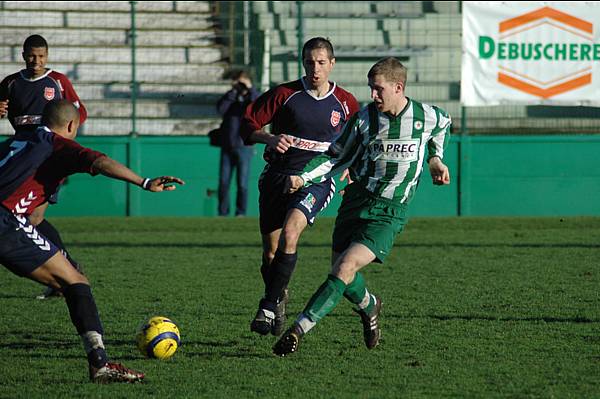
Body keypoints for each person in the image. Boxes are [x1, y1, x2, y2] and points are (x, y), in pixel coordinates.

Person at [272, 57, 452, 356]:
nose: (373, 95)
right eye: (371, 88)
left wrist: (436, 159)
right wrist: (302, 178)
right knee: (342, 273)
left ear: (398, 87)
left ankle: (298, 329)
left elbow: (443, 125)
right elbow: (336, 157)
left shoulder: (426, 115)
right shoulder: (364, 120)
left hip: (390, 210)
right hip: (356, 202)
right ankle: (370, 305)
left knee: (344, 267)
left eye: (379, 89)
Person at [0, 99, 184, 382]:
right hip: (5, 221)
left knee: (68, 278)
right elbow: (100, 162)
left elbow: (34, 215)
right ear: (71, 125)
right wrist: (144, 182)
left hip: (12, 220)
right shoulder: (59, 145)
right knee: (76, 282)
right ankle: (100, 364)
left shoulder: (21, 139)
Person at [241, 37, 360, 337]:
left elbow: (359, 140)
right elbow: (246, 125)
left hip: (317, 180)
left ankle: (267, 305)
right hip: (277, 177)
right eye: (309, 62)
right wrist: (269, 138)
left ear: (332, 64)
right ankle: (279, 296)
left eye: (321, 62)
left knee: (291, 234)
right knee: (270, 253)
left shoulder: (346, 103)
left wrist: (353, 170)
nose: (315, 69)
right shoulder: (285, 94)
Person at [0, 34, 88, 299]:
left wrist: (60, 137)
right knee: (25, 217)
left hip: (46, 157)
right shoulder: (11, 82)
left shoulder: (58, 81)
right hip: (18, 156)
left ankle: (66, 271)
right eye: (31, 56)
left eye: (41, 56)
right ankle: (66, 270)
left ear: (47, 56)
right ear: (23, 54)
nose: (36, 61)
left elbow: (78, 112)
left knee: (33, 218)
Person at [216, 70, 260, 216]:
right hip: (227, 146)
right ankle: (223, 213)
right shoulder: (231, 97)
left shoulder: (251, 97)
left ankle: (240, 213)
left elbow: (258, 108)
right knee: (223, 183)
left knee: (242, 184)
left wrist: (250, 89)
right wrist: (233, 93)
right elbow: (220, 109)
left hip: (244, 147)